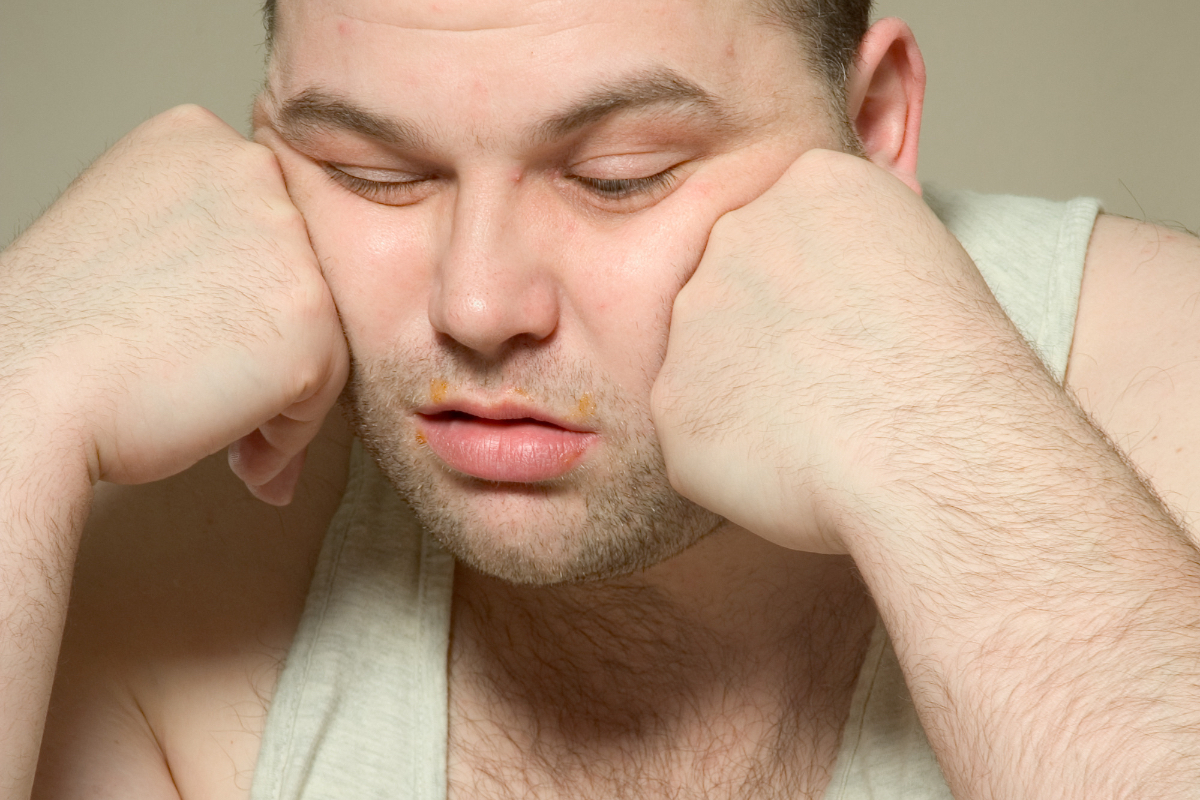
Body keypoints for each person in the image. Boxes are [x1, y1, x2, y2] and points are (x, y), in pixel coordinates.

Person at [4, 0, 1200, 797]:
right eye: (372, 173)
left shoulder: (1163, 378)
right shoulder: (157, 546)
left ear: (874, 126)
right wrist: (25, 376)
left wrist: (938, 430)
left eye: (618, 176)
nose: (476, 303)